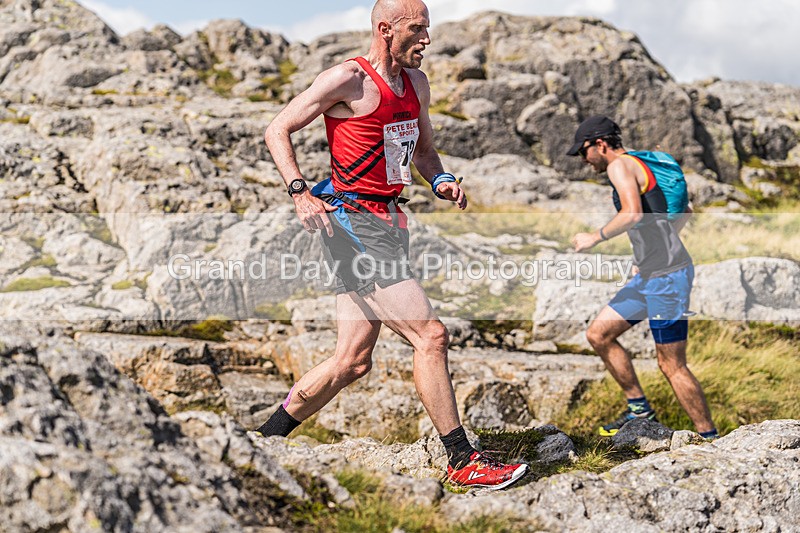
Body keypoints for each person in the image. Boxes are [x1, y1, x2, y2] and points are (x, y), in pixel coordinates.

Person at [256, 0, 529, 490]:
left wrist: (441, 178)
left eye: (428, 30)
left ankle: (262, 440)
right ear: (386, 29)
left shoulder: (417, 84)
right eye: (418, 30)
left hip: (387, 221)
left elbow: (422, 151)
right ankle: (462, 460)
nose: (427, 40)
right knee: (431, 335)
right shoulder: (348, 80)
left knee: (352, 361)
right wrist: (300, 193)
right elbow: (277, 129)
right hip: (352, 222)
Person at [567, 116, 718, 440]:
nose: (584, 160)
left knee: (671, 365)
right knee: (599, 334)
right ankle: (639, 409)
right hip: (650, 274)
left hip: (668, 278)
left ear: (600, 144)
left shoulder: (619, 166)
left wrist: (594, 236)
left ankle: (709, 438)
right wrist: (646, 255)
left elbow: (633, 213)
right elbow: (684, 211)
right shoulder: (642, 163)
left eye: (583, 152)